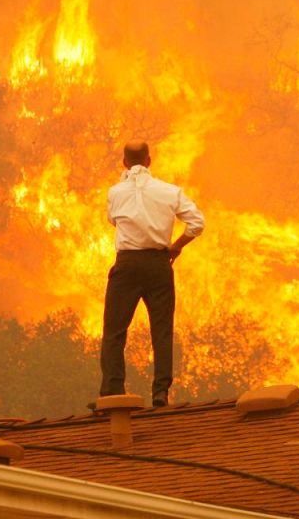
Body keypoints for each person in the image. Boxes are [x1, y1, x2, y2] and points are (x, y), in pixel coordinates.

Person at [99, 141, 204, 407]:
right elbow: (197, 223)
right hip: (159, 264)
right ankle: (160, 392)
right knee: (162, 331)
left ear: (124, 162)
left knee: (114, 331)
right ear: (149, 160)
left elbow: (113, 220)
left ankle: (112, 393)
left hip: (128, 265)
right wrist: (176, 247)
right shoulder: (170, 191)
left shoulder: (115, 192)